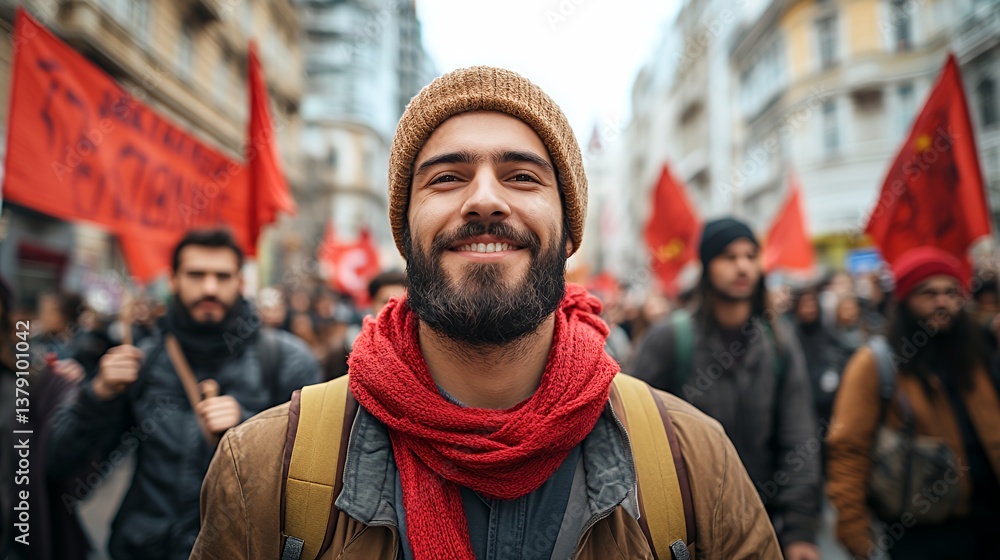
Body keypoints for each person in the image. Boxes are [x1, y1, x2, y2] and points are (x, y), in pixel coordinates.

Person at [192, 66, 780, 560]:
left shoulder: (695, 461)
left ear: (570, 229)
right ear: (404, 233)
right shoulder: (265, 469)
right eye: (447, 178)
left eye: (521, 177)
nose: (484, 200)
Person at [46, 228, 320, 560]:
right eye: (196, 274)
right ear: (173, 280)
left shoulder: (287, 361)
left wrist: (251, 431)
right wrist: (99, 394)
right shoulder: (143, 362)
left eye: (222, 276)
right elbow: (59, 462)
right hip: (146, 549)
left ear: (240, 282)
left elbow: (314, 482)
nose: (209, 287)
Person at [629, 217, 822, 560]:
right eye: (729, 257)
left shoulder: (778, 344)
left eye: (750, 256)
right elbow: (633, 430)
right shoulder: (669, 339)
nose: (743, 266)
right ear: (707, 265)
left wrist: (800, 530)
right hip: (685, 531)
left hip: (762, 523)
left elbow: (798, 436)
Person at [826, 247, 1000, 559]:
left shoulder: (977, 353)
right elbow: (848, 449)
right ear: (905, 301)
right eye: (928, 293)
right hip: (924, 533)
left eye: (950, 292)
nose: (942, 302)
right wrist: (853, 529)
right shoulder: (874, 363)